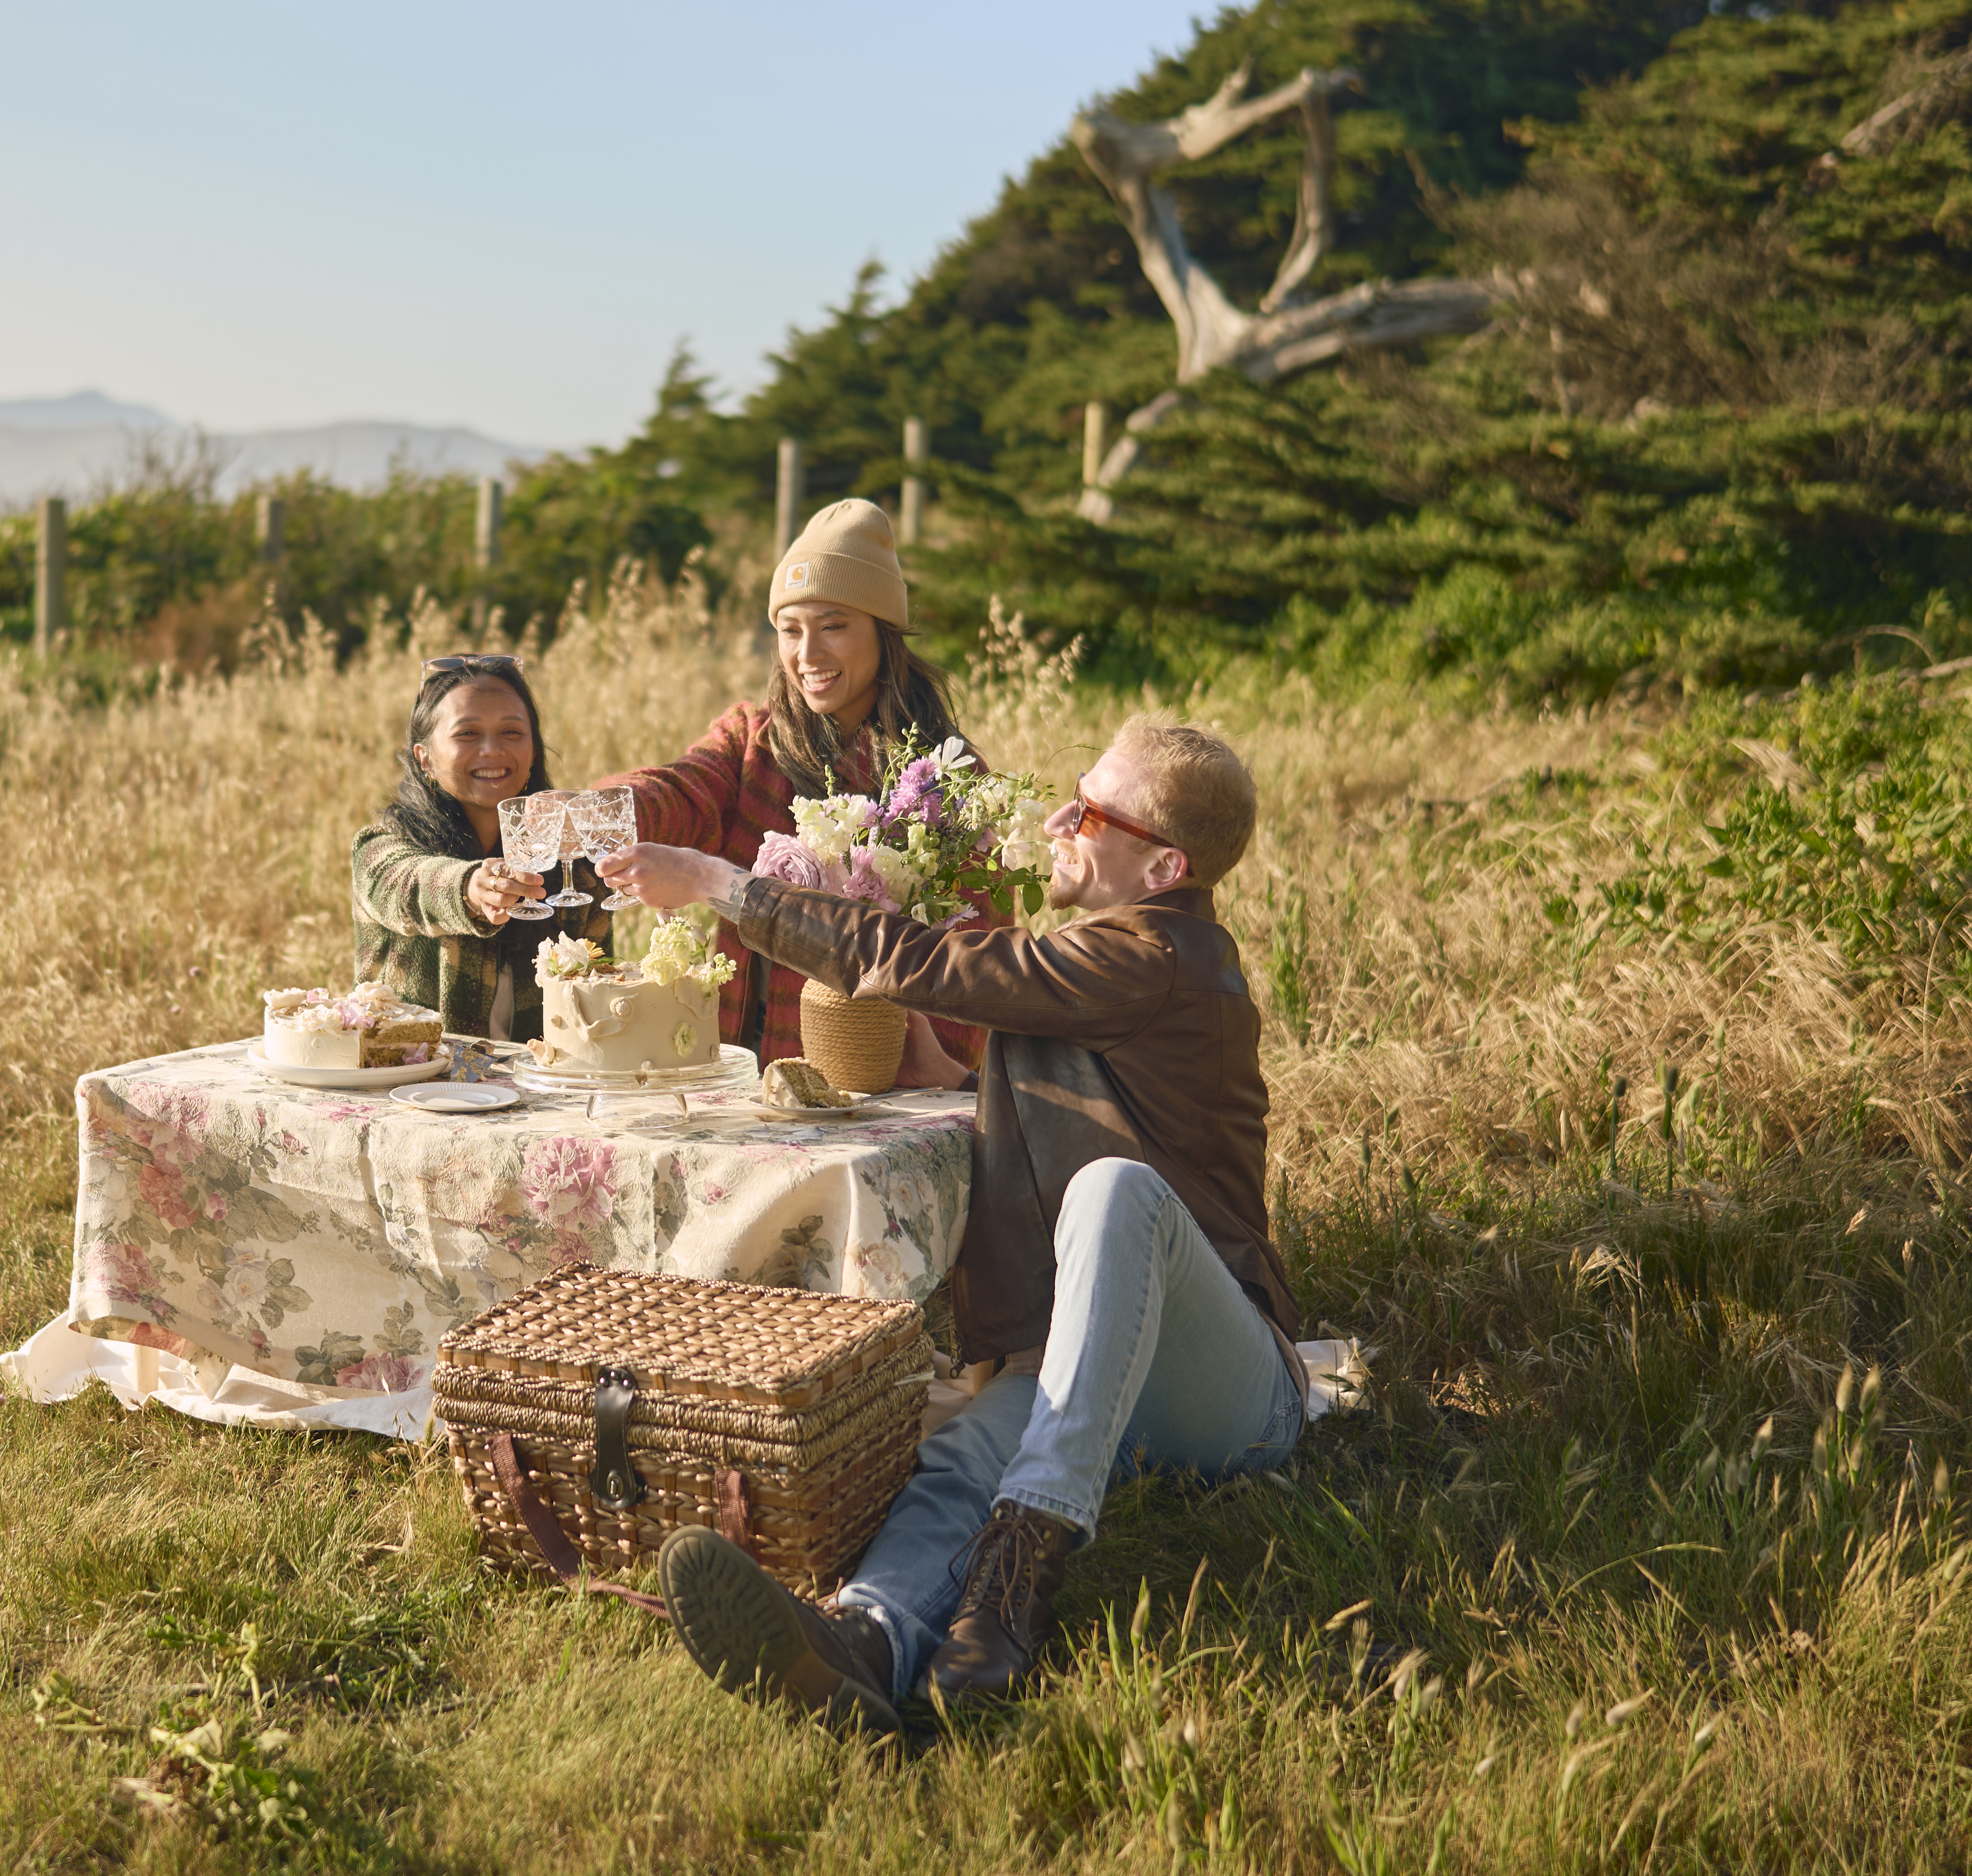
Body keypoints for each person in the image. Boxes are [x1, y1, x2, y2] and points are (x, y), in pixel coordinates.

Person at [604, 715, 1305, 1731]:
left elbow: (926, 960)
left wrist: (720, 884)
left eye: (1094, 811)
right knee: (961, 1459)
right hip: (1098, 1371)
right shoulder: (1125, 956)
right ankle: (863, 1645)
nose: (1062, 817)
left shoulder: (1161, 953)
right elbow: (1109, 1091)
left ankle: (1017, 1586)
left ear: (1163, 865)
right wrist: (972, 1078)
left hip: (1231, 1394)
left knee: (1118, 1194)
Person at [597, 498, 974, 1084]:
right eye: (789, 630)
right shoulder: (753, 741)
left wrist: (935, 1074)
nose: (808, 654)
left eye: (834, 626)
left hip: (881, 1080)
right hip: (751, 1077)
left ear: (884, 631)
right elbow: (682, 787)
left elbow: (970, 966)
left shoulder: (945, 779)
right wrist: (600, 810)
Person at [351, 654, 609, 1041]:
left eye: (512, 733)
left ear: (534, 750)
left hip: (542, 1089)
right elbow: (409, 886)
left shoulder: (573, 865)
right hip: (416, 1085)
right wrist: (471, 888)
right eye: (467, 734)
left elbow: (599, 995)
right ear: (425, 759)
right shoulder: (381, 846)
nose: (492, 750)